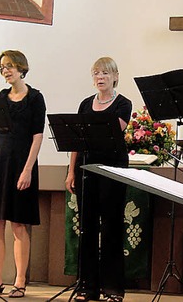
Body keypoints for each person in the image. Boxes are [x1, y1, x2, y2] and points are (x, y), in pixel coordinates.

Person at [64, 57, 132, 302]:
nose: (100, 77)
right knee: (88, 229)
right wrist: (71, 171)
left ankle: (113, 288)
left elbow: (113, 133)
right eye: (96, 73)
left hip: (112, 171)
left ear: (115, 76)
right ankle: (87, 286)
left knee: (111, 227)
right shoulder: (85, 104)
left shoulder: (123, 103)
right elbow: (75, 141)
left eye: (105, 73)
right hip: (86, 170)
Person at [0, 50, 46, 299]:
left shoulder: (36, 98)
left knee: (19, 225)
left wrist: (28, 169)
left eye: (8, 66)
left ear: (21, 67)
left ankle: (20, 281)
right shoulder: (0, 97)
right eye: (1, 68)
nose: (5, 71)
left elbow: (37, 137)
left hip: (22, 165)